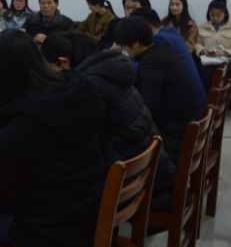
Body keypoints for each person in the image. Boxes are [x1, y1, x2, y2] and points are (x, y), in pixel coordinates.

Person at [0, 30, 107, 247]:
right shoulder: (76, 90)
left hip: (63, 233)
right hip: (88, 209)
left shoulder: (33, 120)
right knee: (3, 203)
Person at [40, 32, 176, 211]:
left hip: (136, 184)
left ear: (64, 62)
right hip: (152, 169)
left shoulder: (90, 86)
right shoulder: (108, 70)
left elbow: (79, 143)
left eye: (49, 67)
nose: (48, 73)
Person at [114, 17, 193, 164]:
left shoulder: (150, 62)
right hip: (182, 122)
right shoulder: (161, 49)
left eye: (124, 46)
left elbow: (151, 108)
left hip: (171, 133)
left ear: (136, 43)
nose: (124, 50)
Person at [131, 8, 208, 120]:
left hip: (189, 112)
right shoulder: (171, 32)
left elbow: (146, 67)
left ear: (149, 28)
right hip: (197, 103)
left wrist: (126, 58)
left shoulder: (159, 40)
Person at [195, 0, 231, 91]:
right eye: (212, 15)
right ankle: (206, 100)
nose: (215, 18)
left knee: (219, 73)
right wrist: (203, 50)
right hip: (207, 62)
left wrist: (224, 53)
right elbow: (197, 43)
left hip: (227, 62)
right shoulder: (202, 27)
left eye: (218, 15)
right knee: (205, 74)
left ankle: (217, 100)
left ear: (225, 14)